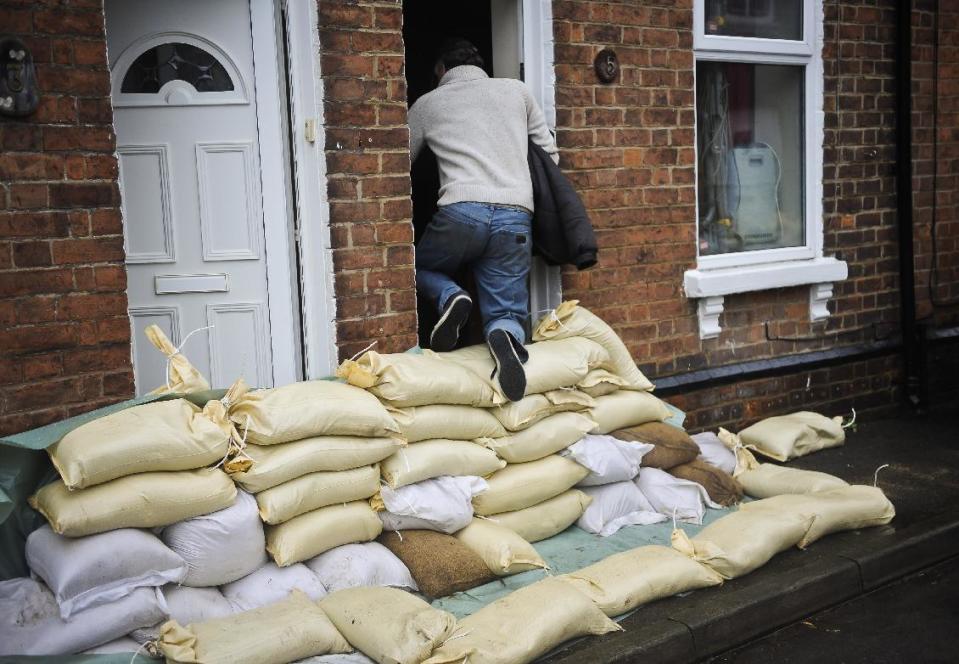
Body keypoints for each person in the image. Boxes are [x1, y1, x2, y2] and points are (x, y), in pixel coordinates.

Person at [408, 38, 559, 402]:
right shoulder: (516, 92)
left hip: (461, 212)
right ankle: (505, 335)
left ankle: (450, 296)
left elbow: (399, 167)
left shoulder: (428, 103)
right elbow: (549, 155)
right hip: (515, 217)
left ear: (441, 70)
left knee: (411, 266)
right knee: (507, 308)